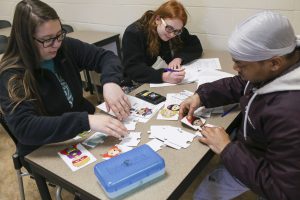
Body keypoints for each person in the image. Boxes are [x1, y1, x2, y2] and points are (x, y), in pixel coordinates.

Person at [179, 11, 300, 199]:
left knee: (203, 196)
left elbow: (283, 191)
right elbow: (244, 83)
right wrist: (202, 95)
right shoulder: (283, 59)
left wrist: (227, 149)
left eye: (240, 65)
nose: (235, 69)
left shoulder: (290, 115)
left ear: (274, 63)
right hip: (255, 142)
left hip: (267, 167)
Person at [0, 0, 131, 162]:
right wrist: (85, 121)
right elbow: (26, 128)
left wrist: (111, 82)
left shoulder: (65, 46)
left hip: (80, 130)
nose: (57, 44)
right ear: (26, 39)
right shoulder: (11, 75)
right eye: (47, 39)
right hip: (43, 146)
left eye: (59, 34)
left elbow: (106, 57)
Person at [122, 0, 203, 85]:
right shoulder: (134, 33)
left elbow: (195, 44)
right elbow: (133, 68)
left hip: (165, 81)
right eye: (169, 28)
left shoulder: (175, 30)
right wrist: (163, 76)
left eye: (177, 31)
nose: (172, 35)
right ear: (158, 20)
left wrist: (179, 58)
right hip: (138, 85)